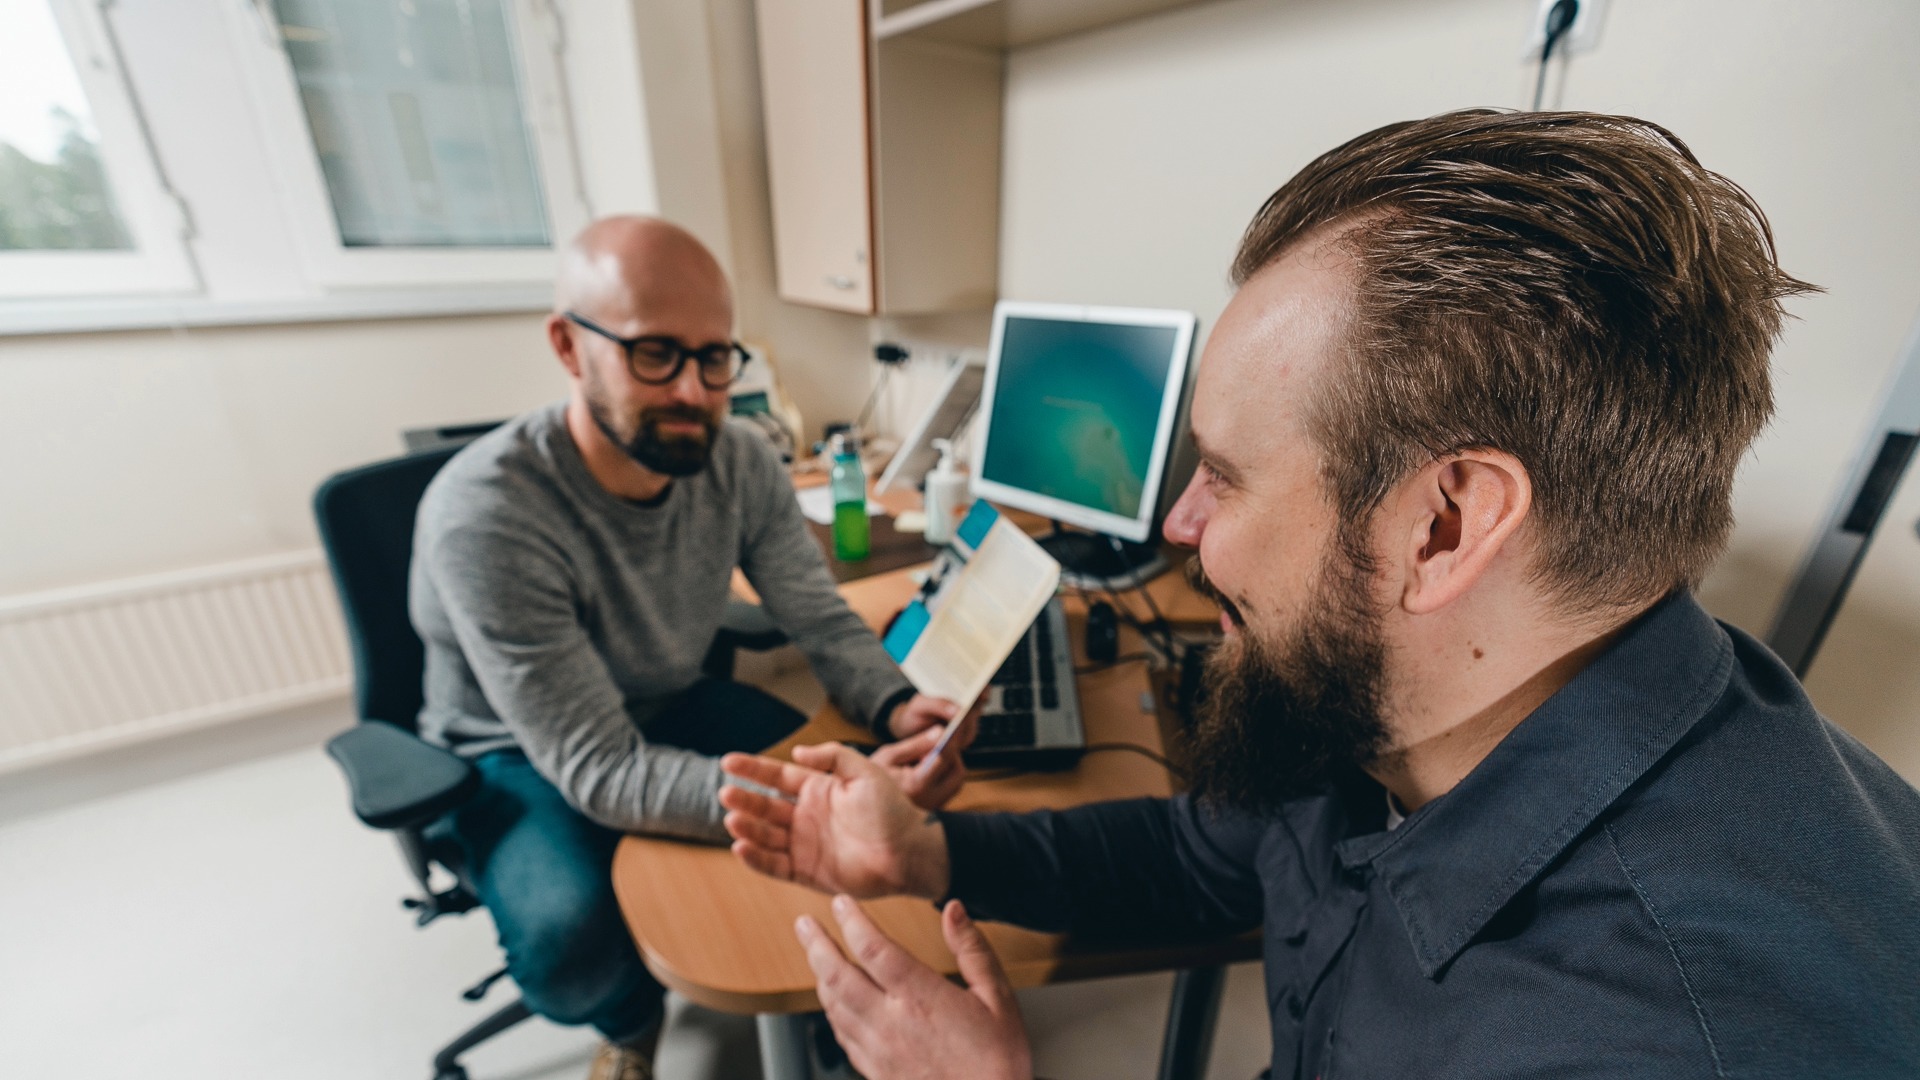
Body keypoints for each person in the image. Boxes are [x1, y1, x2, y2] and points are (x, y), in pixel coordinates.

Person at [717, 111, 1920, 1080]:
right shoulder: (1403, 697)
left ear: (1442, 526)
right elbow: (1208, 855)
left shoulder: (1658, 1036)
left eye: (1224, 478)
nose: (1179, 526)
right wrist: (926, 849)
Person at [409, 216, 975, 1080]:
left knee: (854, 780)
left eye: (716, 357)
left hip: (668, 696)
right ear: (569, 346)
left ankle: (827, 1006)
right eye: (653, 355)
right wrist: (812, 804)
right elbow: (599, 767)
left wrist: (898, 705)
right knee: (572, 935)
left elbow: (818, 617)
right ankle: (627, 1022)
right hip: (517, 746)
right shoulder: (488, 515)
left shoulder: (739, 462)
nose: (694, 391)